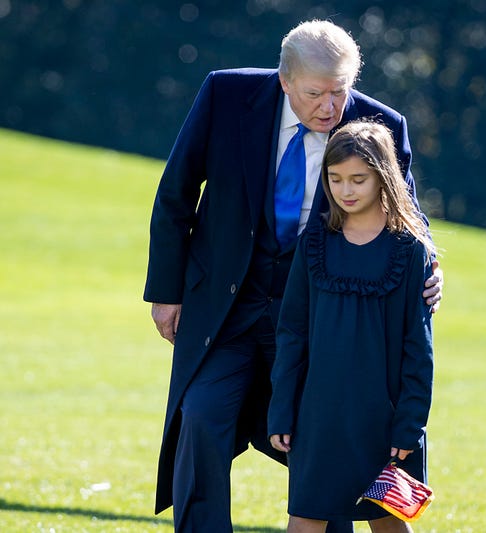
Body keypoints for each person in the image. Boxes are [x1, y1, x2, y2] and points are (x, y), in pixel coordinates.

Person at [143, 20, 443, 532]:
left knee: (325, 440)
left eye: (340, 92)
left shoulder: (378, 123)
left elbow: (405, 210)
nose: (330, 108)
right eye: (315, 94)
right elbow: (176, 192)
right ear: (285, 80)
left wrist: (432, 263)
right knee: (200, 418)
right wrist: (167, 292)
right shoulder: (226, 94)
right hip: (227, 310)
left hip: (320, 320)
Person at [267, 120, 434, 533]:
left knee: (389, 523)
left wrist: (409, 424)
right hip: (318, 417)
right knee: (304, 518)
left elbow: (419, 348)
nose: (346, 190)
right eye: (335, 178)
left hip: (386, 420)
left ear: (384, 177)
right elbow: (292, 334)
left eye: (358, 179)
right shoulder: (314, 243)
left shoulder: (409, 251)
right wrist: (281, 411)